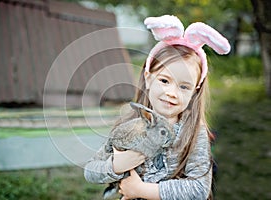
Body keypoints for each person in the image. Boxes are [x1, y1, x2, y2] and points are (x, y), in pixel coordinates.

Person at [84, 15, 230, 200]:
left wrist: (140, 190)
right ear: (148, 77)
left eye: (184, 86)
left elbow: (199, 189)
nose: (171, 92)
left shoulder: (193, 131)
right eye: (164, 80)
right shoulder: (130, 124)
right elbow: (91, 171)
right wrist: (116, 165)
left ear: (195, 90)